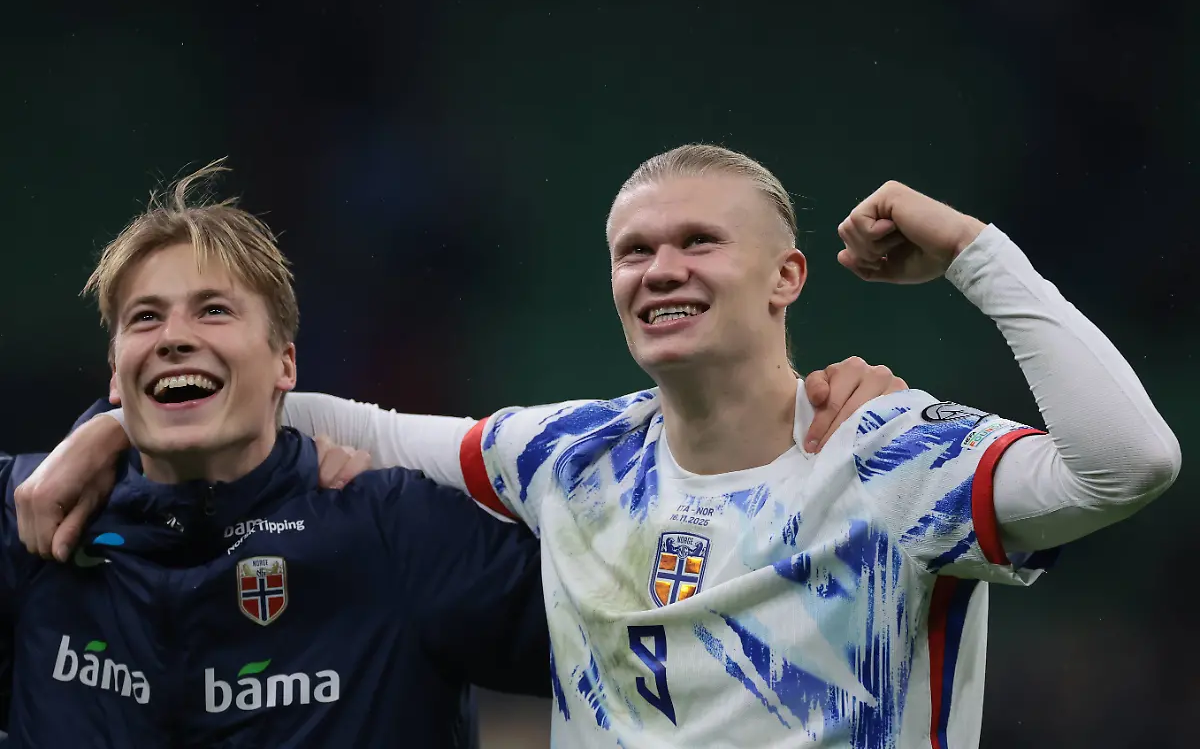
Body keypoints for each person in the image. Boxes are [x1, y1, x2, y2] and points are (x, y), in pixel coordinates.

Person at [24, 145, 1179, 747]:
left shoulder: (894, 452)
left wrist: (978, 251)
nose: (658, 268)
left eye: (694, 242)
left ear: (787, 276)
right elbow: (310, 412)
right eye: (632, 250)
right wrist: (114, 426)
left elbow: (1130, 462)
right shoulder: (565, 458)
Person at [0, 164, 559, 747]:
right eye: (145, 318)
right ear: (115, 375)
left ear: (285, 366)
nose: (173, 337)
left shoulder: (394, 530)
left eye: (214, 310)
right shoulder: (28, 520)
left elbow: (618, 637)